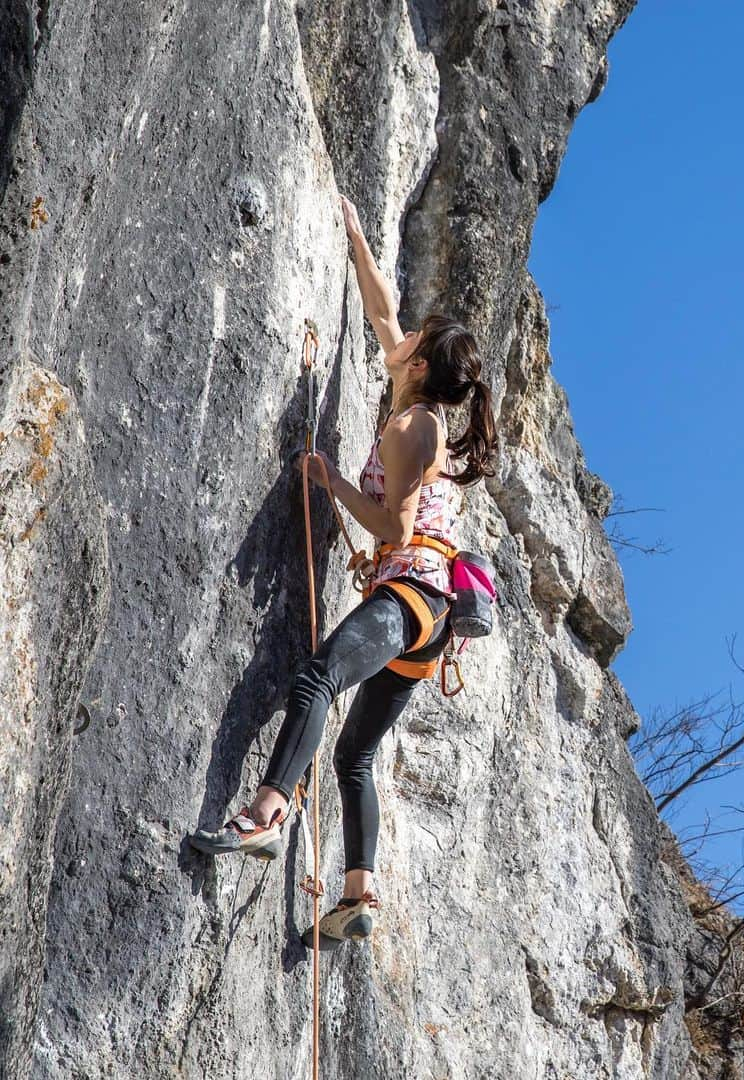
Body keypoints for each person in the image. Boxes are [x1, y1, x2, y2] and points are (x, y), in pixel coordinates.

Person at [190, 194, 499, 949]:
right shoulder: (415, 403)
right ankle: (360, 891)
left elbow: (392, 525)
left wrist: (332, 486)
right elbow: (383, 313)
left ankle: (267, 812)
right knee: (354, 752)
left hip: (413, 592)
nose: (400, 335)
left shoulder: (408, 427)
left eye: (414, 339)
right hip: (427, 623)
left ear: (419, 364)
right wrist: (358, 240)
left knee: (318, 677)